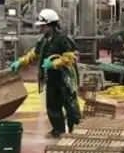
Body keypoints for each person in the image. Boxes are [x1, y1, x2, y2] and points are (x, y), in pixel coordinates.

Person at [10, 9, 80, 138]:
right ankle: (58, 130)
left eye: (43, 26)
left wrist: (54, 63)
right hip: (51, 79)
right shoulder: (43, 40)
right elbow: (34, 54)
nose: (41, 29)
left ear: (51, 25)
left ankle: (75, 130)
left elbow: (71, 57)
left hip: (64, 79)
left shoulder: (62, 39)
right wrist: (20, 62)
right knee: (52, 105)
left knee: (70, 105)